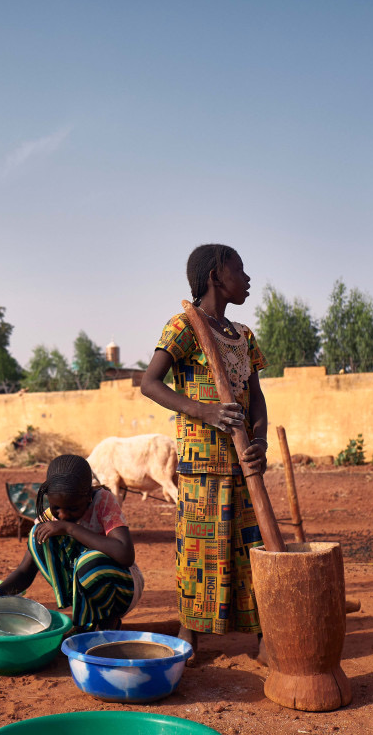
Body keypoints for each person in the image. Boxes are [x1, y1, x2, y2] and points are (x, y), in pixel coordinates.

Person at [140, 244, 268, 660]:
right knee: (200, 550)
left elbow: (257, 397)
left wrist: (261, 442)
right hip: (202, 463)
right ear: (216, 275)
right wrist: (204, 412)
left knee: (251, 548)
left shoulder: (243, 336)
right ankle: (189, 633)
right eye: (240, 270)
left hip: (243, 462)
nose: (248, 278)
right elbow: (150, 383)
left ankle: (265, 634)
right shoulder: (184, 326)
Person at [0, 454, 143, 631]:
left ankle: (108, 620)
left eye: (73, 508)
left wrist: (70, 529)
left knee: (88, 562)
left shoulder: (102, 501)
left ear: (89, 497)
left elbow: (125, 555)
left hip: (121, 589)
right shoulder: (48, 518)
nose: (63, 515)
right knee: (37, 535)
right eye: (56, 508)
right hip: (83, 588)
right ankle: (86, 623)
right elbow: (25, 571)